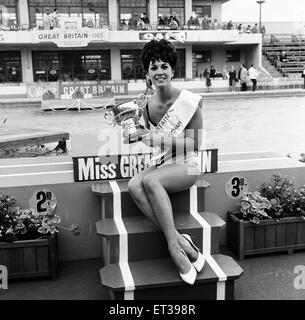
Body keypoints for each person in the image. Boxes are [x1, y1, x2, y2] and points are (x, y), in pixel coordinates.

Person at [128, 39, 205, 285]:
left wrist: (157, 137)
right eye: (153, 67)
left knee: (150, 181)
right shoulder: (147, 105)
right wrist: (134, 134)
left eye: (164, 66)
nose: (159, 71)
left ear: (173, 69)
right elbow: (147, 139)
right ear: (147, 74)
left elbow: (195, 144)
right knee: (133, 185)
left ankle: (175, 250)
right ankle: (182, 241)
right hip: (164, 162)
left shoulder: (188, 101)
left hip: (188, 163)